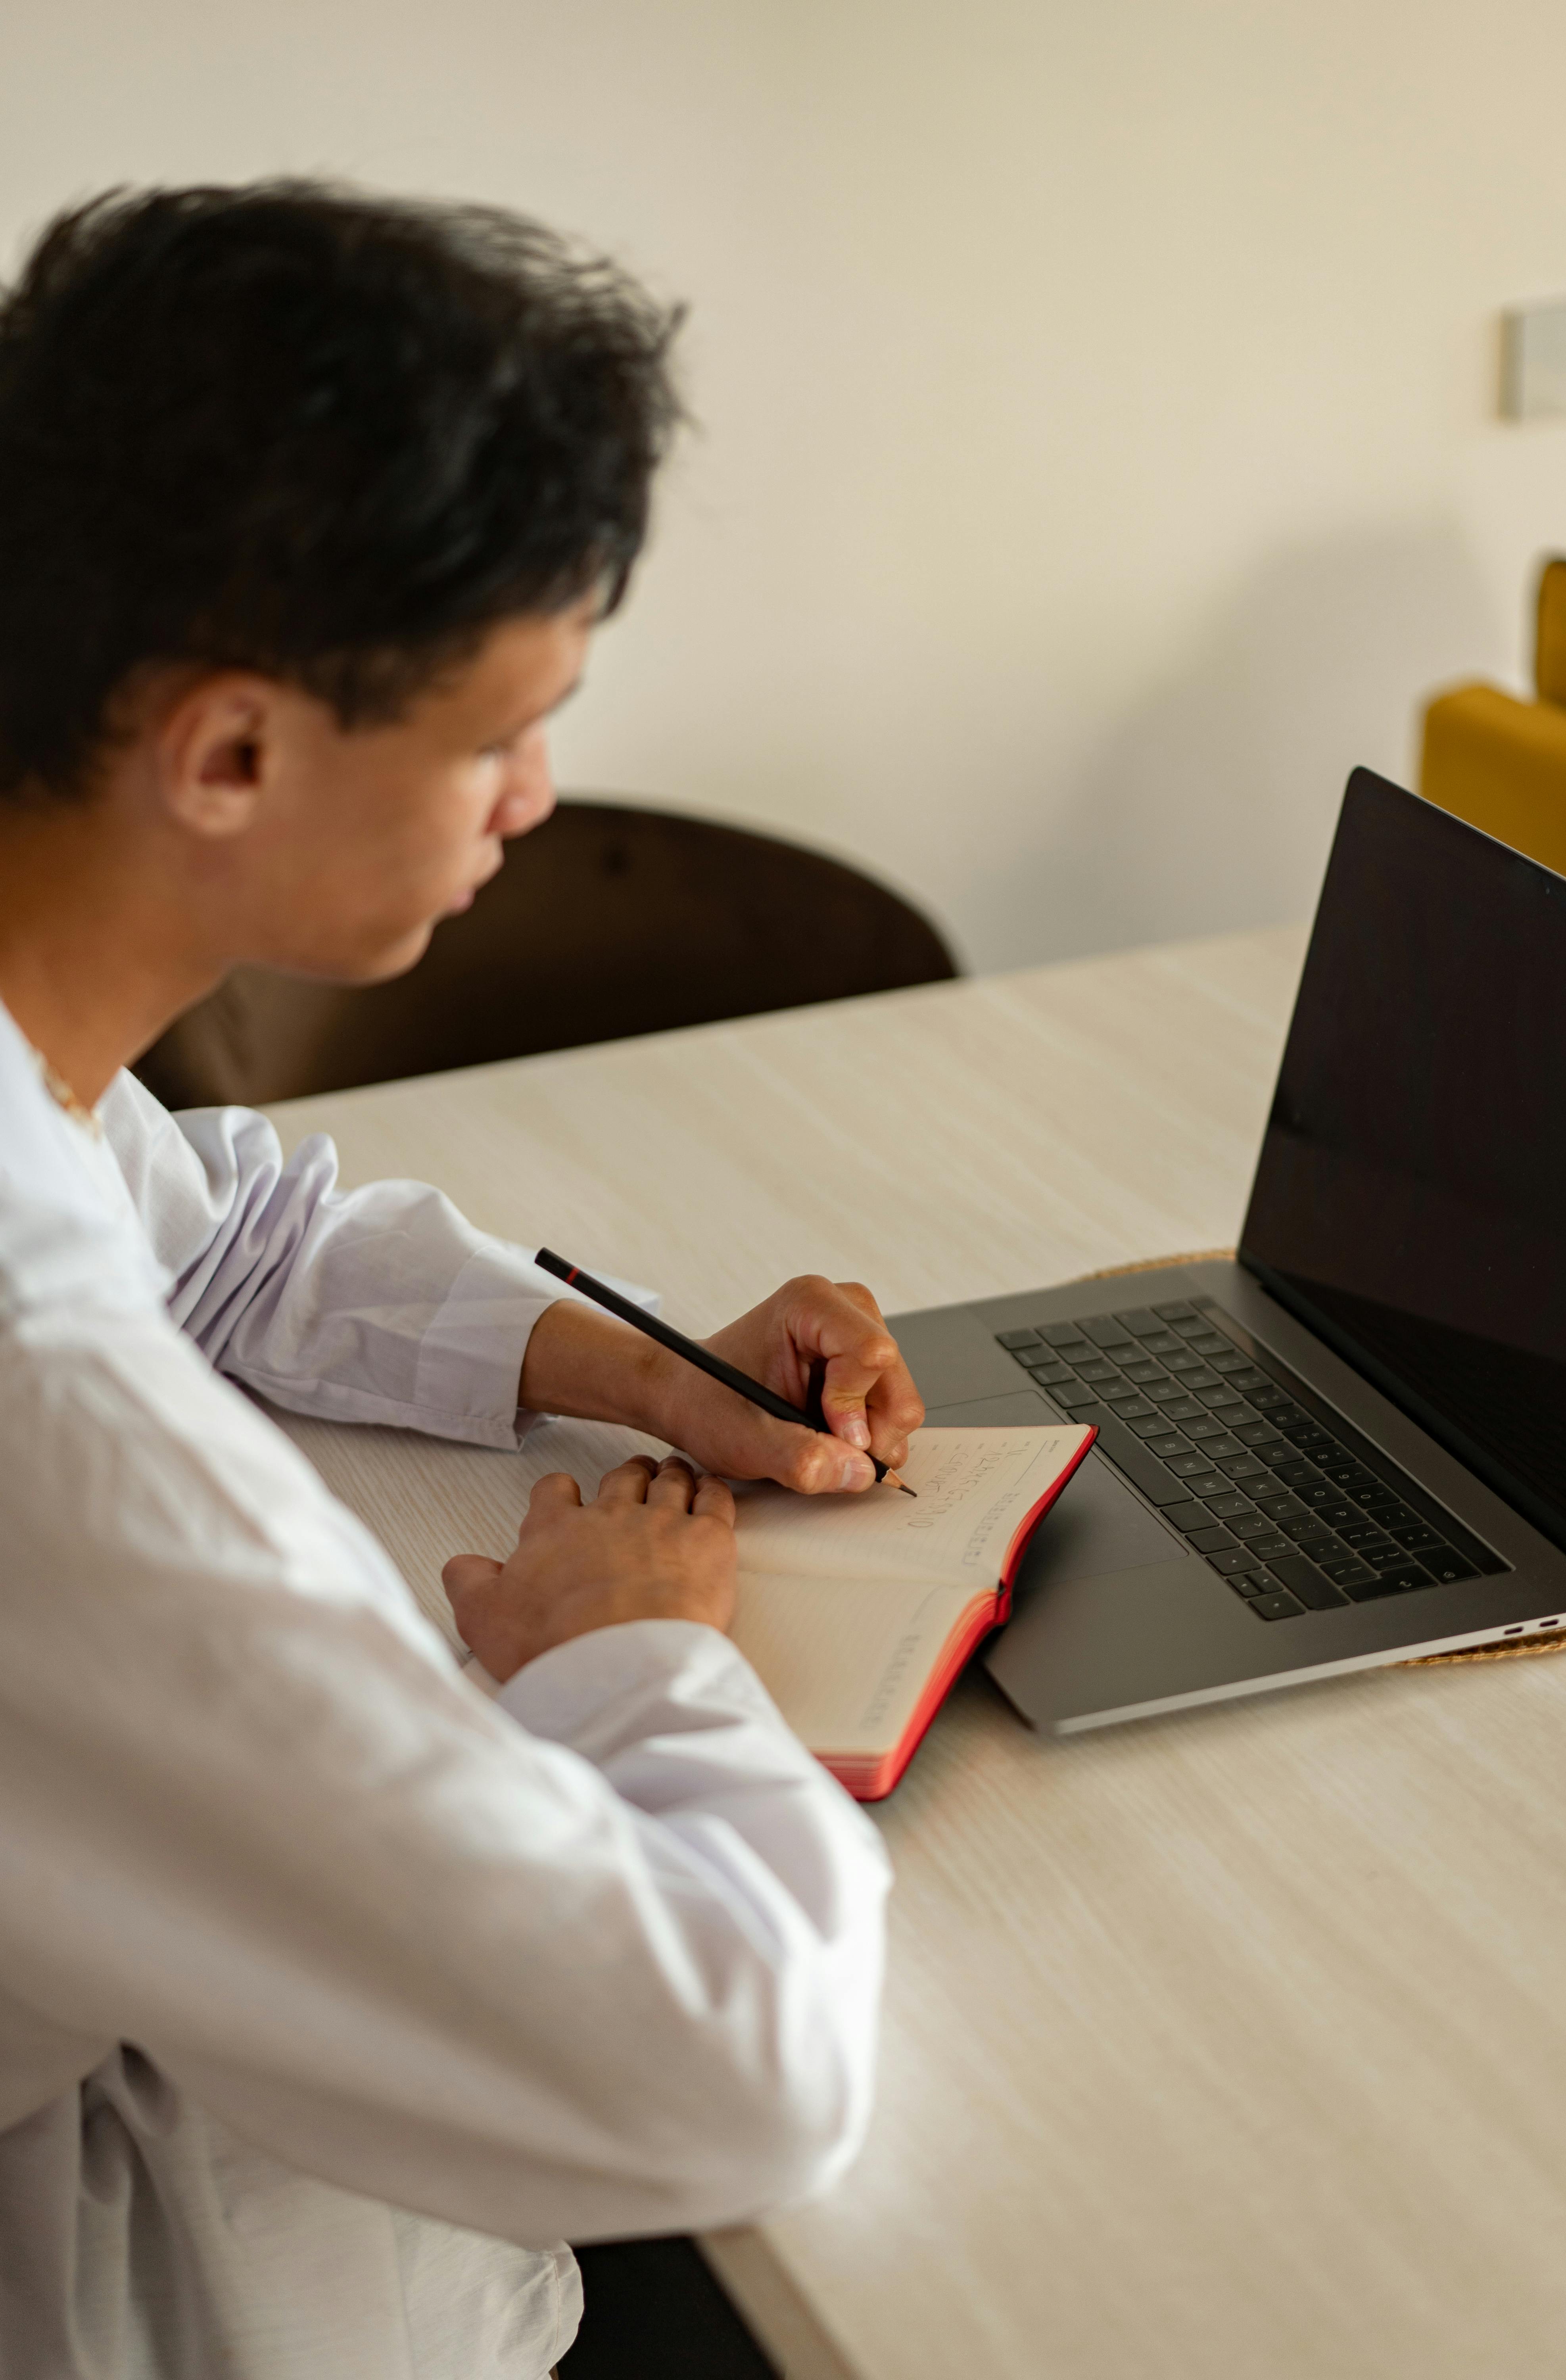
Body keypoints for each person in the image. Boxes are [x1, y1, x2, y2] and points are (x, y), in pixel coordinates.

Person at [0, 184, 919, 2379]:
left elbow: (217, 1230)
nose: (540, 796)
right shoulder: (52, 1454)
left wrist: (651, 1372)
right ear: (229, 753)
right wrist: (633, 1661)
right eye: (507, 728)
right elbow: (741, 2073)